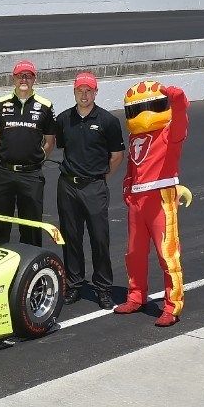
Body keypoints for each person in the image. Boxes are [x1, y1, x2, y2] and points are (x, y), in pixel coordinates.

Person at [115, 81, 191, 327]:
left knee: (167, 253)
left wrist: (177, 99)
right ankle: (136, 295)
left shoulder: (170, 132)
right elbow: (132, 167)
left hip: (161, 197)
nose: (144, 113)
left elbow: (180, 116)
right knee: (134, 253)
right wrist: (127, 189)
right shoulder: (134, 136)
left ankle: (173, 305)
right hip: (137, 201)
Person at [55, 72, 125, 309]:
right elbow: (64, 146)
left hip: (94, 187)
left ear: (96, 92)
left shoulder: (108, 121)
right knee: (71, 237)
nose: (84, 95)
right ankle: (74, 284)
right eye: (80, 90)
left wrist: (100, 177)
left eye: (89, 91)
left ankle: (103, 288)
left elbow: (116, 156)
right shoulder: (64, 119)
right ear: (74, 92)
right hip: (67, 186)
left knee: (99, 238)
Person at [0, 60, 56, 246]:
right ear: (13, 79)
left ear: (34, 79)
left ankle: (30, 269)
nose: (24, 79)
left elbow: (49, 142)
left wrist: (36, 160)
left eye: (28, 75)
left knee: (31, 226)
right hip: (4, 173)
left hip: (31, 175)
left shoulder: (45, 106)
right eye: (20, 76)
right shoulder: (0, 104)